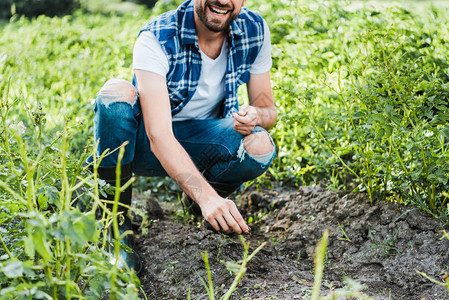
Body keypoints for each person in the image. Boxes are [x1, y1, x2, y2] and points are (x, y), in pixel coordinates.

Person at [91, 0, 277, 272]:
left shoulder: (254, 28)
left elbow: (267, 108)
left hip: (203, 140)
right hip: (144, 146)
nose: (224, 1)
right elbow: (159, 136)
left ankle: (195, 202)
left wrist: (256, 116)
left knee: (260, 144)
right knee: (115, 93)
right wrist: (208, 198)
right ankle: (114, 228)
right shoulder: (157, 37)